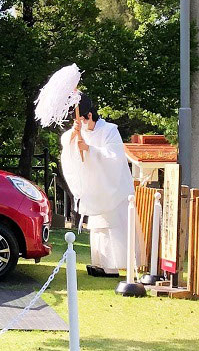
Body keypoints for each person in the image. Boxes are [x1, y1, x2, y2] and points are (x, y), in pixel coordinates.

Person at [60, 93, 144, 276]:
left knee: (114, 227)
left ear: (89, 115)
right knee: (99, 228)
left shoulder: (109, 130)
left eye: (81, 120)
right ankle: (101, 264)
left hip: (114, 188)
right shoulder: (79, 131)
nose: (80, 124)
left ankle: (117, 265)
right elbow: (67, 146)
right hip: (95, 189)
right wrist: (74, 135)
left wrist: (90, 149)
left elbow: (114, 157)